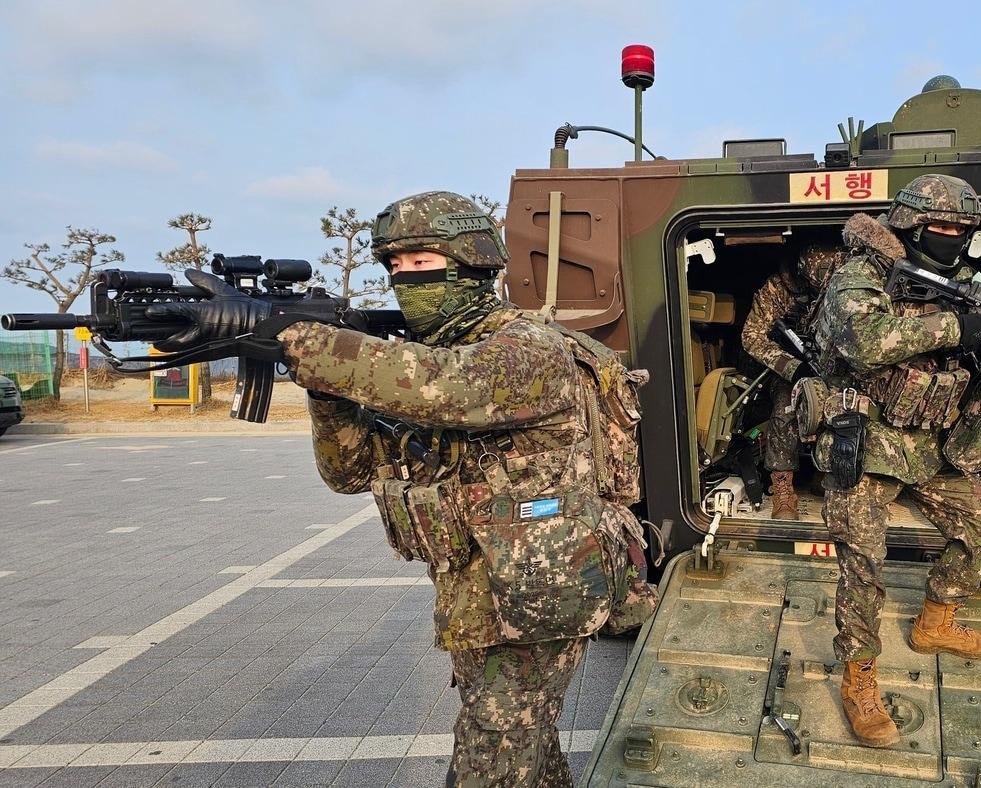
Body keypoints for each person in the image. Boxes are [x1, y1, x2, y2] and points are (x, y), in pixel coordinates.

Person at [146, 191, 655, 787]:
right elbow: (349, 473)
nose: (404, 277)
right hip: (480, 590)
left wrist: (306, 341)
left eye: (421, 261)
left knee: (492, 754)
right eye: (394, 265)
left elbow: (452, 389)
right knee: (525, 745)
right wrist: (328, 393)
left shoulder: (527, 349)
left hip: (543, 589)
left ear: (471, 262)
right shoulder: (424, 358)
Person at [810, 174, 981, 748]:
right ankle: (859, 677)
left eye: (962, 229)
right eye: (942, 226)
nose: (953, 237)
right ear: (910, 224)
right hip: (866, 440)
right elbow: (863, 339)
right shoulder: (861, 272)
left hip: (928, 443)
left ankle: (936, 620)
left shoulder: (962, 282)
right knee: (864, 565)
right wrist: (957, 326)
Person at [738, 243, 843, 520]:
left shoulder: (846, 284)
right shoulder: (778, 289)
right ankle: (783, 489)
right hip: (785, 370)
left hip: (832, 365)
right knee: (787, 406)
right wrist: (793, 368)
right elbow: (752, 337)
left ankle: (827, 472)